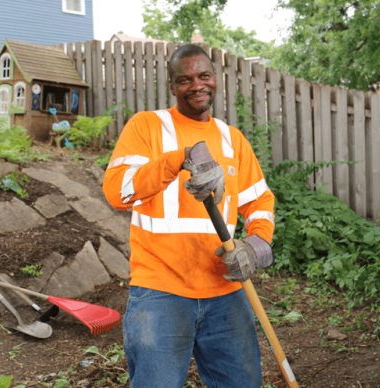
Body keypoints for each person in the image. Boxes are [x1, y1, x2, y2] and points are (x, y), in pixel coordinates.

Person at [102, 44, 275, 388]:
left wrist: (257, 245)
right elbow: (116, 190)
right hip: (160, 293)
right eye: (185, 79)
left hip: (225, 290)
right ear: (172, 86)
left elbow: (260, 201)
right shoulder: (147, 127)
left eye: (204, 76)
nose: (197, 85)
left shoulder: (232, 140)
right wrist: (177, 160)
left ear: (216, 78)